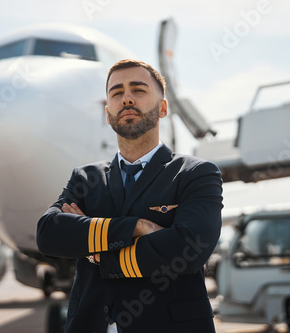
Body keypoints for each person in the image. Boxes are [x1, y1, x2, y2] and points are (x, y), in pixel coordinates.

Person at [37, 59, 223, 333]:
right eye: (116, 93)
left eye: (138, 90)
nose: (126, 99)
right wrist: (136, 227)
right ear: (107, 111)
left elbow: (189, 250)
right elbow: (49, 234)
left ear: (162, 108)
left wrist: (96, 253)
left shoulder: (196, 173)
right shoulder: (85, 178)